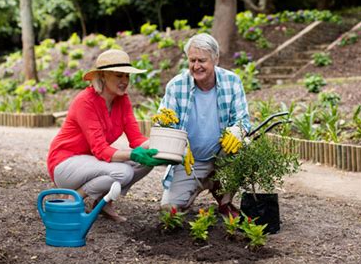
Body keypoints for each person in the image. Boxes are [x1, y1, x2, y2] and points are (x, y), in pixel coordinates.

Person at [47, 49, 172, 222]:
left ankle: (103, 202)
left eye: (126, 76)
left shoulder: (123, 100)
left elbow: (136, 139)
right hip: (65, 164)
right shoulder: (85, 101)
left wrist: (163, 148)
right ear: (103, 76)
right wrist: (134, 154)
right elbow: (100, 149)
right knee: (124, 172)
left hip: (91, 164)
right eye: (119, 76)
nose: (124, 81)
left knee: (144, 163)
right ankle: (75, 197)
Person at [159, 33, 251, 217]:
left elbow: (243, 120)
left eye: (202, 60)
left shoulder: (232, 82)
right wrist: (181, 148)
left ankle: (225, 200)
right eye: (192, 60)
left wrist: (236, 131)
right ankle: (197, 186)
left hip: (222, 157)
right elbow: (165, 126)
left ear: (216, 59)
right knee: (169, 210)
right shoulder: (176, 86)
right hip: (190, 163)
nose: (196, 66)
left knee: (247, 149)